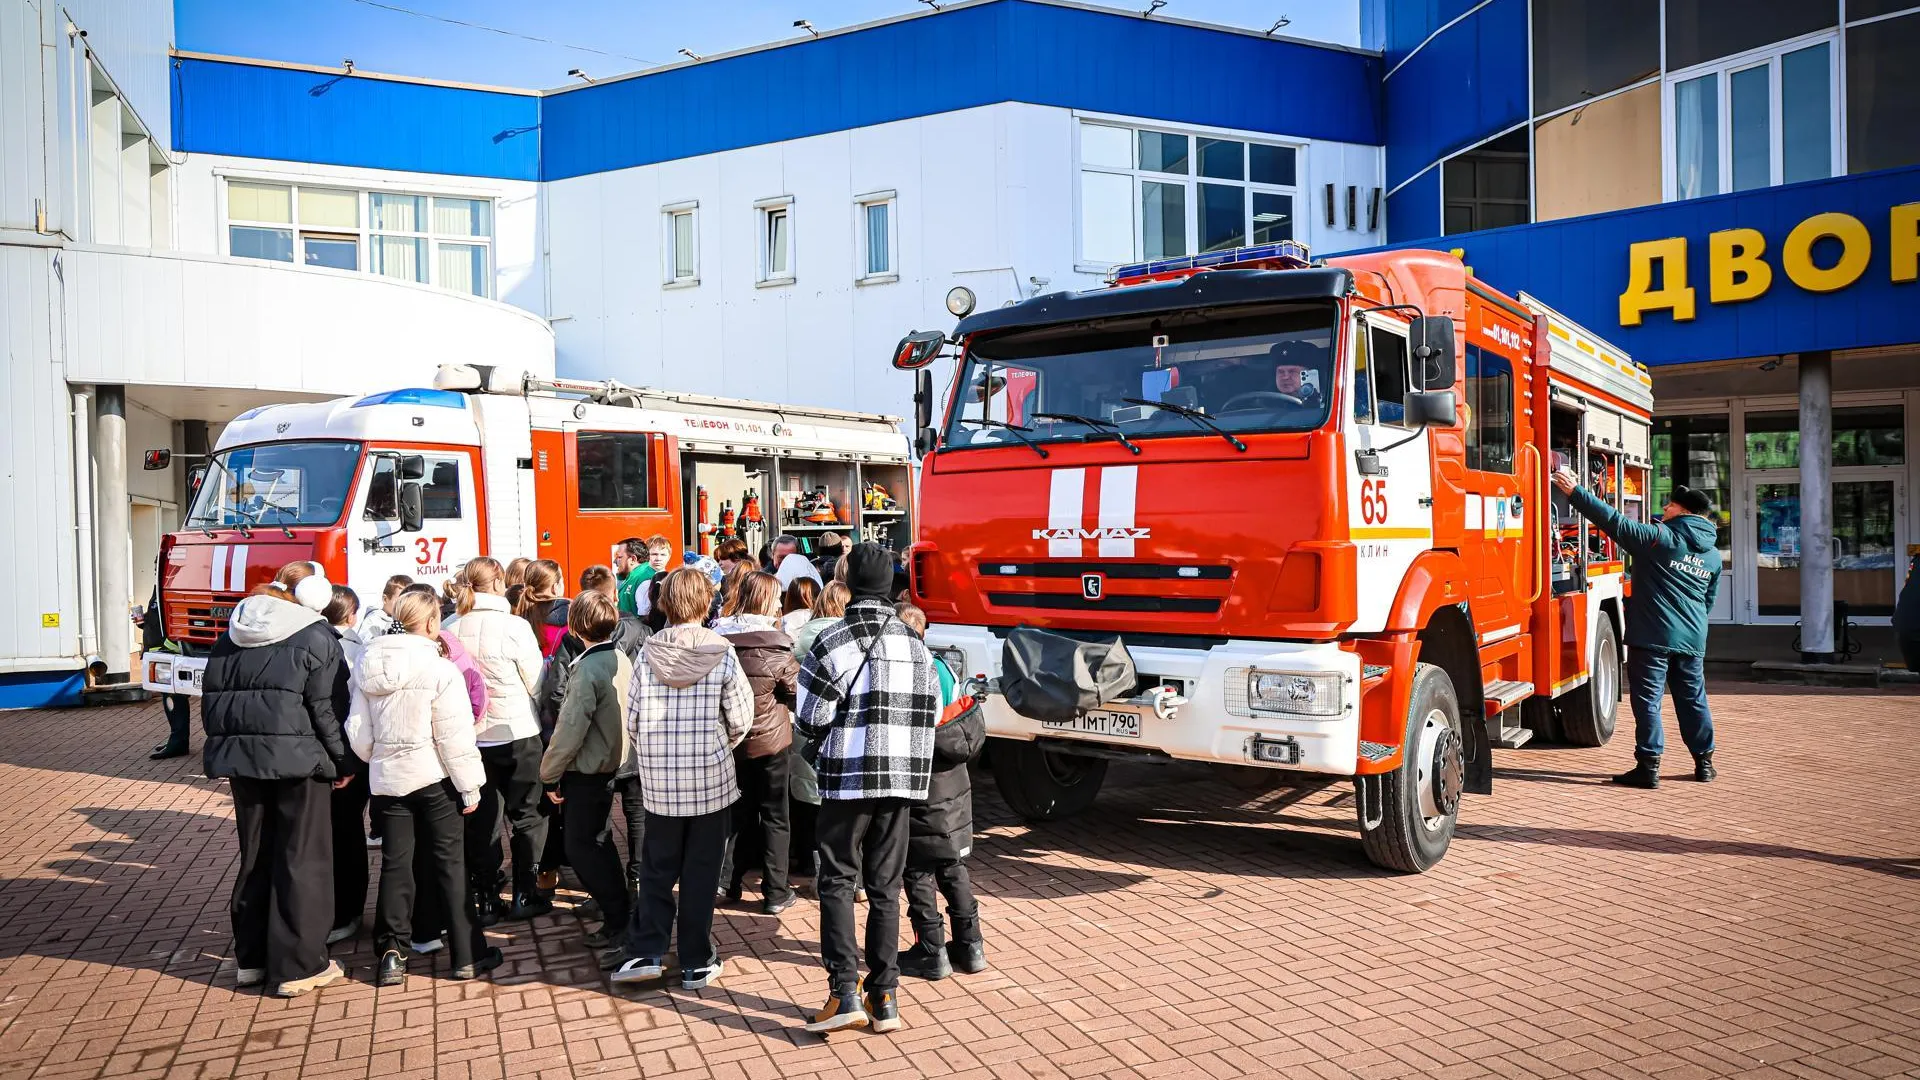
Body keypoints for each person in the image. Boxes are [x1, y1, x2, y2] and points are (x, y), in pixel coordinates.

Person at [795, 544, 939, 1035]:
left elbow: (810, 715)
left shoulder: (833, 639)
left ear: (850, 581)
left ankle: (843, 992)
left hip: (847, 776)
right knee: (885, 888)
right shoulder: (916, 643)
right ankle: (885, 997)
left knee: (836, 881)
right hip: (901, 779)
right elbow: (933, 714)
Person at [200, 561, 351, 997]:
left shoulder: (230, 634)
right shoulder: (315, 635)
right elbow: (327, 709)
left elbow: (212, 698)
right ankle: (300, 966)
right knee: (302, 860)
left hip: (242, 760)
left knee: (256, 855)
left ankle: (251, 959)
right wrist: (343, 763)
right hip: (300, 760)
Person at [346, 590, 501, 985]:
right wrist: (470, 787)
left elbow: (359, 733)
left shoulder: (367, 664)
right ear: (432, 624)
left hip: (388, 777)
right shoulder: (440, 669)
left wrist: (378, 757)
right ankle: (467, 954)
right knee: (450, 865)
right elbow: (454, 737)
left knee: (397, 865)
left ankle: (392, 953)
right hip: (434, 777)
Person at [609, 569, 753, 990]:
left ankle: (646, 951)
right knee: (701, 872)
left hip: (660, 781)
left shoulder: (647, 652)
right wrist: (717, 744)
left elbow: (632, 718)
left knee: (657, 868)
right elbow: (741, 716)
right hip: (710, 779)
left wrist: (656, 752)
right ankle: (695, 957)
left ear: (664, 603)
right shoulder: (721, 651)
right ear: (707, 602)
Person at [1553, 468, 1722, 788]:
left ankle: (1649, 767)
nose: (1665, 510)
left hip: (1654, 637)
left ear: (1683, 511)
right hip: (1692, 639)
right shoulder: (1712, 556)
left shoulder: (1660, 539)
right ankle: (1704, 763)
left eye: (1670, 506)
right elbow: (1707, 601)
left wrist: (1575, 492)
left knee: (1648, 701)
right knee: (1693, 699)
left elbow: (1615, 522)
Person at [449, 557, 551, 920]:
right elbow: (536, 682)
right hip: (517, 730)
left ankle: (487, 895)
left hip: (471, 737)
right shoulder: (514, 626)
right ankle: (527, 890)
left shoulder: (450, 626)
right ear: (497, 583)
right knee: (529, 815)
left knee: (482, 819)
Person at [891, 604, 988, 980]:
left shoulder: (908, 670)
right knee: (952, 863)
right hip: (953, 780)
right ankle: (971, 944)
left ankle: (931, 950)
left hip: (922, 778)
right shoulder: (945, 668)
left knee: (916, 866)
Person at [539, 591, 634, 952]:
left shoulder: (587, 668)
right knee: (598, 841)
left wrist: (550, 772)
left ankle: (616, 915)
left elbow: (570, 728)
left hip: (588, 767)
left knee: (581, 846)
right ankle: (618, 910)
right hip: (610, 761)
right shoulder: (618, 657)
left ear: (576, 627)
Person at [710, 571, 800, 915]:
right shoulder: (778, 644)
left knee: (734, 812)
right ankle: (775, 892)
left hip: (730, 740)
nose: (779, 602)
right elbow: (795, 692)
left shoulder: (718, 637)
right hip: (772, 741)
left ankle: (724, 879)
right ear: (766, 600)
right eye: (776, 596)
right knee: (776, 815)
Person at [788, 580, 849, 886]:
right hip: (840, 729)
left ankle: (810, 865)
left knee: (806, 801)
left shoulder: (800, 637)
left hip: (804, 727)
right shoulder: (848, 637)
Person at [322, 586, 370, 946]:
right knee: (348, 833)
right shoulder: (357, 651)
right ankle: (348, 909)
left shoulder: (316, 645)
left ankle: (341, 909)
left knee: (336, 834)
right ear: (351, 614)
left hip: (327, 755)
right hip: (351, 754)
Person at [140, 580, 192, 760]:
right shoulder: (160, 584)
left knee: (174, 698)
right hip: (159, 650)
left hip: (170, 650)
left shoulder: (176, 583)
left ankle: (178, 741)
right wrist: (144, 621)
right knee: (169, 697)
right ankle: (177, 739)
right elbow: (159, 615)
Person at [358, 575, 413, 639]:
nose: (403, 605)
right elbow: (365, 643)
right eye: (399, 601)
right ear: (385, 599)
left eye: (408, 601)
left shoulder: (410, 620)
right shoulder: (373, 620)